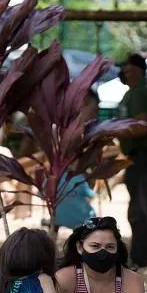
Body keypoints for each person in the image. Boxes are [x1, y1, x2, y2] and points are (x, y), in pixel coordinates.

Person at [118, 53, 147, 268]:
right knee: (141, 205)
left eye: (128, 70)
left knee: (139, 208)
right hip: (143, 156)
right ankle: (146, 255)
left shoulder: (137, 95)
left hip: (141, 156)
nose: (124, 74)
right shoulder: (143, 93)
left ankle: (140, 257)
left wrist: (113, 132)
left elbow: (142, 127)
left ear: (137, 72)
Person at [52, 92, 99, 235]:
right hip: (68, 178)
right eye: (94, 109)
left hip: (69, 179)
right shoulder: (65, 129)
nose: (95, 115)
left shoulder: (90, 129)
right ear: (82, 105)